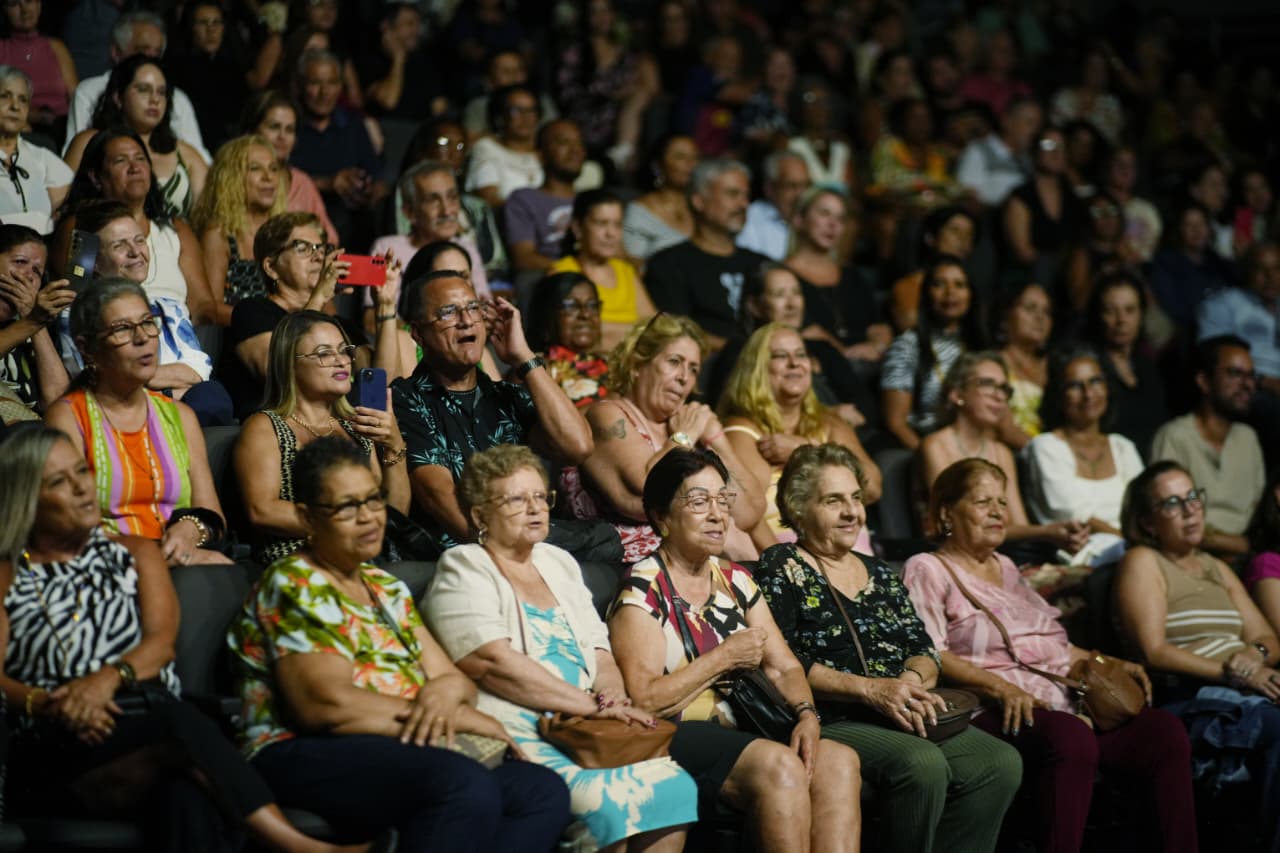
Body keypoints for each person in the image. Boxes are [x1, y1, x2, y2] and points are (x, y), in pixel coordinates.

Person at [0, 425, 385, 853]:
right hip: (57, 740)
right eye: (58, 481)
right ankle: (299, 846)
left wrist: (103, 682)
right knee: (181, 727)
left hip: (145, 727)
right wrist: (48, 703)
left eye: (82, 471)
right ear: (25, 497)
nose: (80, 488)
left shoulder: (135, 552)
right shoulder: (7, 575)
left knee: (184, 793)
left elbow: (160, 643)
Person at [230, 437, 570, 852]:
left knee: (541, 791)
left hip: (394, 739)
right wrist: (460, 718)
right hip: (299, 750)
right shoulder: (295, 582)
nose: (369, 517)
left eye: (374, 500)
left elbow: (454, 681)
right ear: (307, 517)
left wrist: (446, 697)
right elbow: (326, 707)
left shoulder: (384, 586)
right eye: (347, 507)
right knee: (462, 785)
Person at [904, 458, 1199, 853]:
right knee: (1070, 737)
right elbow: (931, 654)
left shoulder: (1007, 567)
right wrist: (1002, 688)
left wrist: (1110, 662)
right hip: (993, 706)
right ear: (946, 513)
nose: (997, 512)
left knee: (1162, 732)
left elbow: (1054, 645)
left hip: (1062, 700)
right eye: (982, 502)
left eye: (1002, 502)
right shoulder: (927, 569)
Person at [425, 444, 696, 851]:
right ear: (480, 515)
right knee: (610, 804)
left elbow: (599, 651)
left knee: (674, 787)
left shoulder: (558, 562)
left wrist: (612, 699)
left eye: (541, 496)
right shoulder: (463, 566)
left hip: (586, 724)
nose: (535, 508)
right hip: (523, 728)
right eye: (517, 499)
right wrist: (589, 706)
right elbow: (492, 663)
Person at [756, 444, 1021, 853]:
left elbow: (922, 647)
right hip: (834, 715)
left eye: (855, 498)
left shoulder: (881, 572)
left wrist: (909, 681)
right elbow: (782, 660)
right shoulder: (781, 564)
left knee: (999, 762)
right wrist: (871, 690)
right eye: (833, 501)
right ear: (798, 508)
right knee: (921, 764)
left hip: (900, 708)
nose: (851, 512)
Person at [607, 447, 862, 853]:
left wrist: (806, 714)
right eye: (699, 502)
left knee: (839, 761)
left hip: (746, 725)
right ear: (661, 516)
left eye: (723, 500)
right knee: (780, 766)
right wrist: (724, 657)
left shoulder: (736, 580)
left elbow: (784, 667)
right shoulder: (644, 589)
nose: (717, 515)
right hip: (675, 733)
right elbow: (646, 699)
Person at [1114, 460, 1280, 851]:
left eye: (1193, 497)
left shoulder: (1216, 567)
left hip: (1244, 687)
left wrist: (1254, 654)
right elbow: (1153, 650)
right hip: (1191, 696)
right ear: (1148, 522)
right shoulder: (1143, 561)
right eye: (1172, 503)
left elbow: (1268, 638)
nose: (1190, 510)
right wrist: (1233, 674)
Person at [392, 270, 592, 550]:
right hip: (463, 550)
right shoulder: (405, 397)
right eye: (448, 312)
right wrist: (501, 553)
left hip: (527, 542)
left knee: (607, 538)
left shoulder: (508, 397)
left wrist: (524, 358)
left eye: (473, 307)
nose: (466, 320)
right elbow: (436, 493)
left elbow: (577, 447)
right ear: (418, 333)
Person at [45, 279, 231, 569]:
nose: (142, 337)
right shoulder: (69, 417)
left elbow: (213, 516)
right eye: (122, 329)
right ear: (87, 348)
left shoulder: (181, 416)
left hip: (184, 558)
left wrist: (190, 529)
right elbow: (67, 528)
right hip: (107, 567)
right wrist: (154, 556)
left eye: (147, 322)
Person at [567, 313, 764, 563]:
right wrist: (684, 436)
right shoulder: (607, 415)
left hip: (695, 563)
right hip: (630, 568)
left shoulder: (685, 425)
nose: (684, 377)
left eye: (693, 369)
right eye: (674, 362)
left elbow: (748, 513)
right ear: (636, 365)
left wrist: (716, 440)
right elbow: (648, 488)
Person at [234, 310, 410, 566]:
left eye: (344, 350)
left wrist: (394, 444)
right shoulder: (264, 426)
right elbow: (262, 510)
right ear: (290, 364)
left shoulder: (356, 428)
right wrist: (345, 526)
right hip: (298, 563)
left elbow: (395, 513)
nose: (341, 361)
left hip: (367, 561)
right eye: (324, 353)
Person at [718, 323, 881, 550]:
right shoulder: (743, 431)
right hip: (785, 553)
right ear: (757, 368)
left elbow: (872, 488)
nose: (794, 363)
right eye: (780, 356)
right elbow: (748, 510)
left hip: (851, 550)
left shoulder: (831, 424)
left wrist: (807, 450)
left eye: (801, 354)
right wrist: (788, 564)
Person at [68, 200, 227, 423]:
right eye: (119, 246)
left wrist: (136, 378)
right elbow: (87, 381)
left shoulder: (169, 308)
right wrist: (173, 390)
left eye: (139, 240)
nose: (135, 252)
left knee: (210, 396)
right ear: (93, 261)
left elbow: (199, 370)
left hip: (185, 416)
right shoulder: (75, 317)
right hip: (112, 420)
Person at [920, 352, 1089, 561]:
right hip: (950, 557)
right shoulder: (935, 445)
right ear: (956, 394)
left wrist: (1053, 531)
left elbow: (1017, 525)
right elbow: (956, 524)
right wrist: (1047, 531)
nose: (999, 396)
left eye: (1003, 388)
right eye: (987, 384)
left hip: (998, 553)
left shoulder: (1002, 452)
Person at [218, 212, 384, 421]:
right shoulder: (252, 311)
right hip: (278, 425)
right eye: (303, 248)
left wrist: (385, 309)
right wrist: (319, 296)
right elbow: (276, 372)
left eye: (321, 248)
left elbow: (378, 385)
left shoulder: (337, 325)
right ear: (271, 267)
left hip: (338, 425)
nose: (318, 257)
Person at [52, 128, 218, 327]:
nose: (135, 168)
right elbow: (75, 303)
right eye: (120, 161)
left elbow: (202, 306)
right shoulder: (81, 227)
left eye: (140, 158)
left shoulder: (176, 229)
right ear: (96, 177)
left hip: (178, 336)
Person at [1024, 347, 1145, 564]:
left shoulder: (1123, 447)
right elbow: (1079, 518)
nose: (1088, 394)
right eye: (1075, 386)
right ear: (1059, 395)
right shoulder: (1045, 447)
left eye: (1095, 381)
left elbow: (1144, 507)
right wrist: (1137, 546)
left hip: (1134, 551)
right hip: (1081, 558)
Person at [1150, 336, 1265, 561]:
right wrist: (1238, 545)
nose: (1247, 384)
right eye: (1235, 374)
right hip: (1191, 555)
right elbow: (1169, 518)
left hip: (1248, 557)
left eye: (1251, 376)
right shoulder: (1175, 436)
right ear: (1204, 381)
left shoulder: (1247, 438)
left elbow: (1260, 510)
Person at [64, 55, 209, 221]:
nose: (155, 99)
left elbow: (209, 217)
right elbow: (65, 206)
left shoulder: (184, 153)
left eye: (161, 92)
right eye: (143, 89)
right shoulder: (88, 142)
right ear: (118, 97)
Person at [645, 159, 768, 349]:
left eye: (746, 195)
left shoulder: (762, 264)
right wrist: (745, 352)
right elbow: (674, 332)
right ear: (699, 201)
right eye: (733, 194)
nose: (744, 204)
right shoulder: (668, 264)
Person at [362, 161, 491, 333]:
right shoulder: (386, 248)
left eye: (452, 197)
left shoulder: (467, 249)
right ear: (409, 212)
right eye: (433, 201)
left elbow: (485, 313)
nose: (447, 211)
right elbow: (371, 320)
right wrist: (426, 336)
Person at [64, 10, 209, 162]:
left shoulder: (177, 97)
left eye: (157, 52)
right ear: (116, 52)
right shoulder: (89, 91)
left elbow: (201, 157)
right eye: (143, 50)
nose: (151, 58)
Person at [880, 255, 985, 450]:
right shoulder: (907, 345)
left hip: (975, 443)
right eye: (939, 284)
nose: (950, 292)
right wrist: (932, 456)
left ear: (971, 294)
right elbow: (896, 423)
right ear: (926, 293)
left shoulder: (980, 346)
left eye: (960, 285)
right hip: (922, 445)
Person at [290, 49, 387, 247]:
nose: (324, 92)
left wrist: (367, 190)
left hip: (354, 217)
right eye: (315, 83)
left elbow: (376, 177)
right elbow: (279, 180)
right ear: (300, 86)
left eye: (332, 83)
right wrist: (329, 183)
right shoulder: (289, 126)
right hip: (300, 215)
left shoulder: (352, 124)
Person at [785, 187, 890, 362]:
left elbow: (879, 327)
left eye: (840, 218)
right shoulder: (781, 276)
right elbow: (802, 330)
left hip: (867, 365)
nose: (833, 224)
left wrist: (876, 346)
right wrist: (844, 354)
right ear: (799, 219)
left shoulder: (852, 275)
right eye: (824, 213)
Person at [1198, 240, 1280, 460]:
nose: (1270, 277)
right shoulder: (1224, 304)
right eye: (1261, 269)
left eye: (1276, 269)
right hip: (1252, 386)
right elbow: (1211, 356)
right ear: (1247, 271)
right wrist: (1263, 381)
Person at [190, 135, 286, 319]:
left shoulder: (286, 232)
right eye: (255, 168)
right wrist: (265, 321)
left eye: (273, 168)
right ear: (231, 177)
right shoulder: (219, 234)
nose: (268, 177)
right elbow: (210, 309)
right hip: (241, 332)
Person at [553, 0, 657, 169]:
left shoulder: (625, 53)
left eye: (606, 10)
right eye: (595, 12)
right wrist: (610, 93)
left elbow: (641, 85)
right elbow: (567, 95)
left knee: (640, 94)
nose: (602, 17)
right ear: (586, 17)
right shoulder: (575, 52)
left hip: (616, 122)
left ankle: (623, 151)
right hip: (584, 119)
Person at [548, 189, 654, 351]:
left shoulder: (626, 271)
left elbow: (656, 328)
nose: (611, 234)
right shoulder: (562, 272)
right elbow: (577, 335)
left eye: (617, 225)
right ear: (578, 228)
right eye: (601, 223)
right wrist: (637, 334)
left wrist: (609, 331)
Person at [1084, 271, 1168, 460]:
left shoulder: (1149, 368)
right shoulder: (1089, 367)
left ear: (1141, 314)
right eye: (1110, 311)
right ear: (1098, 315)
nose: (1121, 320)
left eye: (1130, 310)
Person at [240, 89, 337, 243]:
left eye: (290, 130)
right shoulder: (234, 179)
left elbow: (330, 241)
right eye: (274, 127)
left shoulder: (302, 183)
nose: (282, 136)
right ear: (251, 131)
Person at [0, 224, 71, 424]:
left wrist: (35, 321)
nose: (29, 275)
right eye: (20, 262)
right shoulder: (30, 323)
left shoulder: (34, 329)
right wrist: (33, 321)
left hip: (35, 437)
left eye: (37, 272)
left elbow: (58, 400)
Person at [1001, 127, 1081, 288]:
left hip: (1065, 276)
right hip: (1027, 277)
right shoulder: (1022, 195)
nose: (1056, 152)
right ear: (1035, 151)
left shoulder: (1072, 198)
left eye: (1061, 147)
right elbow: (1023, 252)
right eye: (1049, 145)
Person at [504, 119, 586, 274]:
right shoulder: (524, 199)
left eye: (579, 143)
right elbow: (524, 258)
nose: (575, 150)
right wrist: (578, 272)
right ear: (540, 155)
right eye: (564, 142)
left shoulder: (591, 200)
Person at [0, 66, 72, 234]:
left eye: (23, 100)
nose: (15, 106)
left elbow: (70, 207)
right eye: (5, 96)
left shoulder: (41, 156)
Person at [526, 271, 609, 408]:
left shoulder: (615, 366)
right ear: (547, 314)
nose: (585, 314)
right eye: (571, 306)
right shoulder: (534, 370)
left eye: (592, 305)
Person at [889, 205, 977, 333]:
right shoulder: (907, 286)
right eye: (954, 231)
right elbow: (913, 331)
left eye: (969, 234)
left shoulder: (974, 287)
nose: (963, 240)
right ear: (930, 238)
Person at [1150, 202, 1236, 331]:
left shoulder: (1219, 262)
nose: (1197, 230)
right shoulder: (1165, 263)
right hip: (1191, 331)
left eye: (1201, 224)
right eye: (1189, 225)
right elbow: (1172, 308)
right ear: (1179, 229)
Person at [0, 0, 75, 136]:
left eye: (29, 1)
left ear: (39, 5)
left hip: (62, 127)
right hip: (19, 128)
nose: (24, 10)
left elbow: (75, 96)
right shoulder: (2, 50)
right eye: (14, 4)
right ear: (4, 11)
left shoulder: (56, 47)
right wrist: (34, 117)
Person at [465, 84, 543, 209]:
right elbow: (488, 199)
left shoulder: (546, 152)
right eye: (516, 110)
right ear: (500, 116)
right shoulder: (486, 148)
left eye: (531, 110)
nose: (525, 117)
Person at [623, 134, 697, 263]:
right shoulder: (640, 212)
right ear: (658, 165)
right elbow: (632, 266)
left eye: (695, 157)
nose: (690, 164)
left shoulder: (702, 209)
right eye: (680, 156)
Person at [955, 97, 1041, 208]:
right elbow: (966, 197)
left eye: (1039, 125)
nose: (1035, 130)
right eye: (1029, 122)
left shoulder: (1032, 159)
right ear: (1007, 121)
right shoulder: (979, 151)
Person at [995, 280, 1052, 444]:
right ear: (1006, 316)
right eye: (1030, 308)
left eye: (1047, 311)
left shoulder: (1055, 367)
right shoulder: (994, 364)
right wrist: (1046, 453)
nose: (1040, 317)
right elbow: (1004, 428)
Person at [736, 150, 811, 262]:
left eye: (806, 185)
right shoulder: (750, 221)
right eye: (791, 186)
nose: (801, 195)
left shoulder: (816, 218)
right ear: (770, 188)